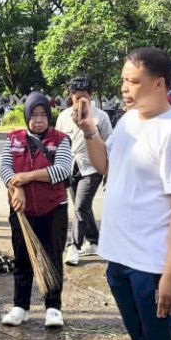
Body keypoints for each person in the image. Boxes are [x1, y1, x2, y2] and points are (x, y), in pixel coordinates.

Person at [75, 47, 171, 340]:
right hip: (120, 257)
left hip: (153, 263)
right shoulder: (128, 121)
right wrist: (90, 130)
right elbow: (106, 166)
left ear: (159, 84)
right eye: (123, 80)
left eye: (133, 81)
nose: (125, 88)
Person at [0, 93, 74, 327]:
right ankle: (21, 306)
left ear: (49, 116)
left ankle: (53, 308)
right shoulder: (13, 139)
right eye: (34, 115)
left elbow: (62, 170)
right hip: (22, 212)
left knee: (52, 258)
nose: (38, 120)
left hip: (53, 210)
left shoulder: (60, 139)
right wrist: (16, 187)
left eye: (43, 115)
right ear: (27, 116)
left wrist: (27, 177)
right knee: (22, 259)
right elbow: (4, 169)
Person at [55, 76, 113, 266]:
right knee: (84, 208)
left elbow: (109, 145)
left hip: (92, 169)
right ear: (70, 96)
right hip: (71, 168)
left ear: (90, 96)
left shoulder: (101, 117)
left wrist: (107, 173)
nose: (79, 101)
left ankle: (74, 246)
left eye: (83, 97)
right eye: (75, 96)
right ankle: (94, 241)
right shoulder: (64, 117)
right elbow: (57, 143)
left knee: (80, 207)